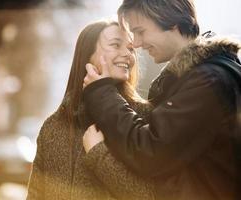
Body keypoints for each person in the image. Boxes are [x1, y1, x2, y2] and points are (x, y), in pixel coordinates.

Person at [82, 0, 241, 200]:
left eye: (140, 31)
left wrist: (102, 93)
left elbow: (149, 152)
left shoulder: (209, 82)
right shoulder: (194, 79)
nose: (136, 43)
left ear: (172, 22)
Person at [26, 20, 155, 200]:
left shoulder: (145, 118)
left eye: (131, 48)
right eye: (115, 45)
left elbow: (147, 196)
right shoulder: (53, 127)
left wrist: (99, 154)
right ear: (87, 54)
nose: (127, 54)